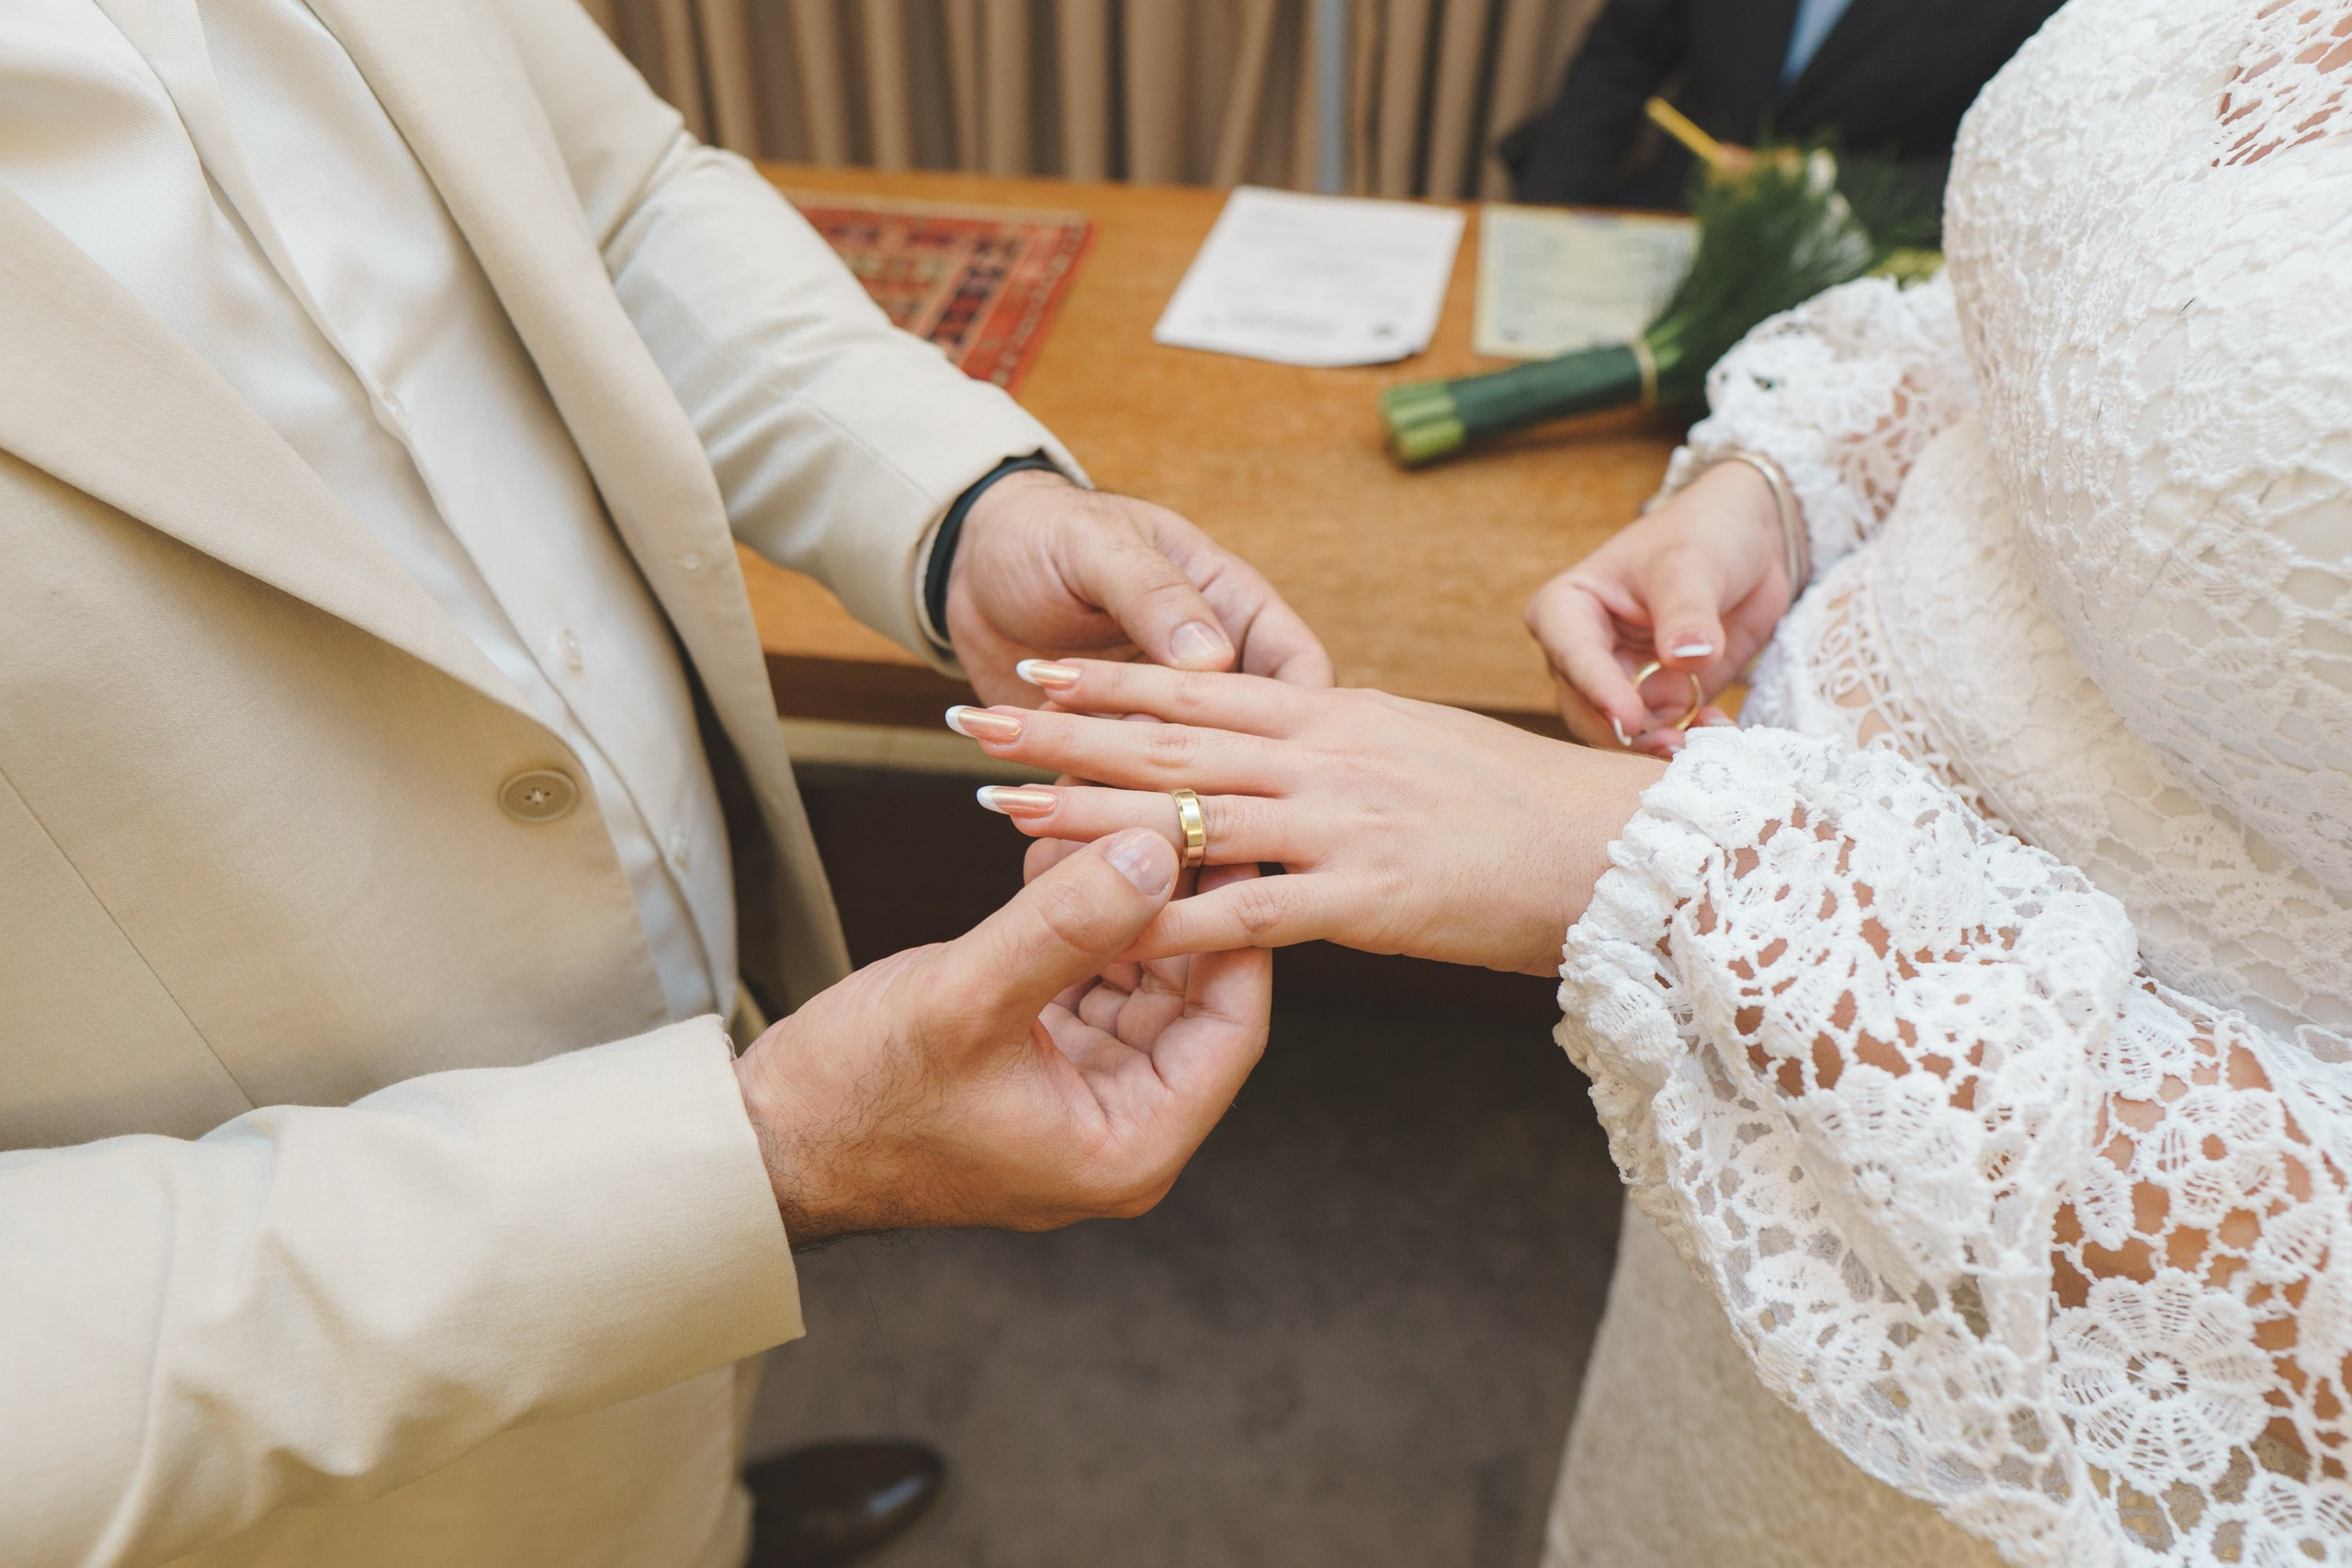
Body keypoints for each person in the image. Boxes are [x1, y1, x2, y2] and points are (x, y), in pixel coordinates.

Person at [954, 0, 2352, 1561]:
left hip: (2086, 1354)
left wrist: (1683, 876)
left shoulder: (1706, 898)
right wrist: (1785, 486)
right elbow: (2049, 316)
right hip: (1755, 1129)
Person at [0, 0, 1327, 1562]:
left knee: (676, 1460)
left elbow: (612, 198)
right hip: (319, 1447)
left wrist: (959, 509)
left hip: (702, 1028)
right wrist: (751, 1162)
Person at [1502, 0, 2064, 212]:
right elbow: (1622, 54)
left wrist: (1819, 182)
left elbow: (2028, 172)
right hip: (1669, 214)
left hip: (1853, 282)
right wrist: (1547, 214)